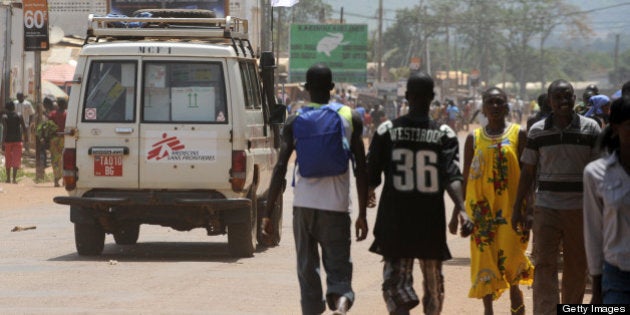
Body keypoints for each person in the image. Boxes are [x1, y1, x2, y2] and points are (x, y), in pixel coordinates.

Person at [261, 64, 368, 315]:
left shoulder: (295, 120)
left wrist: (267, 213)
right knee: (339, 272)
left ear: (306, 89)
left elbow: (279, 169)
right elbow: (362, 169)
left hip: (304, 207)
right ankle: (341, 304)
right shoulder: (351, 117)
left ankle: (312, 309)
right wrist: (362, 213)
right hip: (337, 208)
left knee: (307, 273)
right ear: (332, 88)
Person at [366, 72, 472, 315]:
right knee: (434, 285)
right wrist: (463, 210)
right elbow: (452, 176)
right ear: (432, 98)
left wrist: (367, 197)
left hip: (395, 221)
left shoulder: (386, 130)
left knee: (394, 283)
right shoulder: (444, 133)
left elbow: (371, 174)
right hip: (429, 222)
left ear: (407, 97)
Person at [511, 79, 601, 315]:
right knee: (544, 266)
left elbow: (599, 173)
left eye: (568, 96)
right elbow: (528, 172)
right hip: (546, 208)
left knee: (576, 266)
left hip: (580, 210)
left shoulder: (591, 128)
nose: (563, 101)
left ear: (575, 98)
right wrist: (518, 207)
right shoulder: (537, 131)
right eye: (558, 97)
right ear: (549, 101)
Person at [454, 87, 533, 315]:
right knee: (484, 262)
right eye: (491, 102)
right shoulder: (473, 138)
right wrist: (458, 212)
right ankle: (488, 310)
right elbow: (465, 175)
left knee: (513, 260)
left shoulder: (519, 134)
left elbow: (529, 174)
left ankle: (516, 304)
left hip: (512, 210)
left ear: (507, 106)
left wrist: (529, 209)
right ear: (483, 108)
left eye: (500, 102)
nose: (495, 107)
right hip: (481, 214)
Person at [583, 96, 630, 304]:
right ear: (615, 128)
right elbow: (594, 231)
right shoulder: (596, 174)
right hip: (617, 277)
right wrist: (596, 285)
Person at [2, 101, 27, 183]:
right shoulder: (19, 115)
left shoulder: (4, 116)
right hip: (17, 140)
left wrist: (2, 142)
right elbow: (24, 128)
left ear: (6, 108)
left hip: (8, 140)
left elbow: (5, 130)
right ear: (14, 107)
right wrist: (26, 138)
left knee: (8, 159)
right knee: (16, 159)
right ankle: (14, 179)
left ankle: (8, 178)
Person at [49, 98, 67, 187]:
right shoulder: (67, 114)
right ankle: (65, 180)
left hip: (54, 139)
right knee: (64, 159)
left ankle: (56, 180)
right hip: (65, 138)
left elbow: (49, 126)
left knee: (55, 159)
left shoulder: (52, 114)